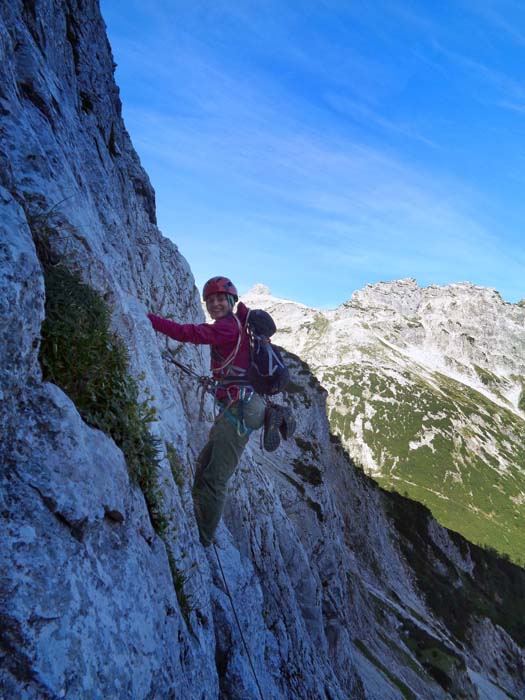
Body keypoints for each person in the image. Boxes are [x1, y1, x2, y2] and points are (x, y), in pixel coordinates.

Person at [147, 276, 266, 546]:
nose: (215, 304)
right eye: (210, 300)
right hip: (240, 404)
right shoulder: (236, 325)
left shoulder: (227, 328)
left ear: (231, 301)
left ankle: (201, 537)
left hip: (241, 409)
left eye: (220, 299)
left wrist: (150, 319)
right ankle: (197, 515)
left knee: (215, 477)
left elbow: (187, 333)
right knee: (203, 463)